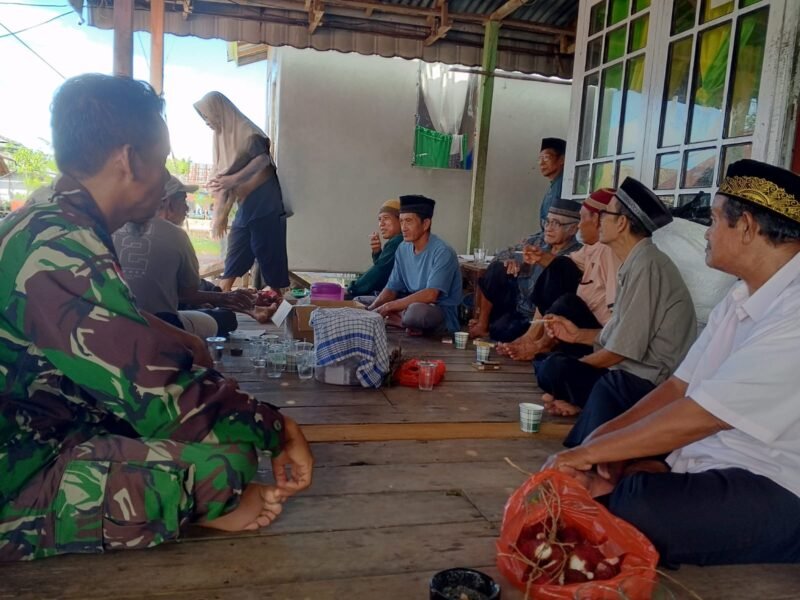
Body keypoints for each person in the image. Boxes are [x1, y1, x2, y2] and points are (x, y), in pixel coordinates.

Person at [0, 74, 313, 561]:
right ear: (129, 160)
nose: (168, 176)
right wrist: (279, 428)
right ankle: (196, 507)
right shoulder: (57, 247)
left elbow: (105, 335)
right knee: (227, 463)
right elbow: (162, 397)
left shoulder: (48, 216)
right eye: (163, 159)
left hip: (46, 421)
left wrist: (160, 332)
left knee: (213, 436)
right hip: (17, 470)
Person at [545, 159, 800, 567]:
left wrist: (595, 454)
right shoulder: (738, 299)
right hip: (712, 454)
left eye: (715, 220)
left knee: (637, 505)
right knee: (617, 467)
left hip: (779, 484)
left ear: (748, 228)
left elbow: (703, 415)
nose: (707, 233)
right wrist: (597, 445)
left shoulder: (794, 311)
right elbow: (679, 387)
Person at [537, 178, 696, 445]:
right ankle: (585, 406)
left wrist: (578, 367)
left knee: (564, 371)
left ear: (621, 223)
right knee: (553, 368)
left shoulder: (647, 266)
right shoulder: (635, 262)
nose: (598, 222)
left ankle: (587, 442)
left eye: (605, 215)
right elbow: (619, 335)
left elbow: (621, 351)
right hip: (627, 372)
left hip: (648, 383)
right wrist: (577, 335)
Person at [113, 176, 257, 338]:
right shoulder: (176, 235)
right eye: (183, 200)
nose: (187, 208)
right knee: (226, 318)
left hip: (112, 321)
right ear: (167, 202)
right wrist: (223, 298)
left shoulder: (113, 227)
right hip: (159, 324)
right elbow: (188, 293)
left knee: (204, 290)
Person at [497, 188, 622, 361]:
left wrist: (609, 345)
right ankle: (532, 337)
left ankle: (541, 344)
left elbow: (617, 313)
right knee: (558, 266)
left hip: (599, 333)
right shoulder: (591, 248)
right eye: (547, 222)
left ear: (598, 220)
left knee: (566, 301)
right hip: (569, 324)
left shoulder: (609, 251)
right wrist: (540, 256)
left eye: (582, 218)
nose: (579, 225)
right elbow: (564, 266)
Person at [194, 91, 289, 292]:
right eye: (202, 117)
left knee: (268, 252)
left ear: (219, 111)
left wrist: (232, 180)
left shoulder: (248, 133)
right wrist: (220, 211)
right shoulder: (222, 139)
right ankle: (223, 295)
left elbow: (263, 160)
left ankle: (278, 304)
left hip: (265, 203)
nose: (206, 121)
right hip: (245, 206)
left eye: (207, 115)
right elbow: (223, 177)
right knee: (236, 250)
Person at [469, 199, 583, 342]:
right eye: (547, 221)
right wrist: (512, 261)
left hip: (543, 316)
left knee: (502, 333)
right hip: (519, 304)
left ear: (573, 229)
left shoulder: (579, 254)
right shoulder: (537, 241)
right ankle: (482, 325)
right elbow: (501, 255)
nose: (548, 228)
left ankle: (535, 340)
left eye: (556, 223)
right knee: (497, 269)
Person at [368, 195, 461, 334]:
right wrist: (370, 310)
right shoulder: (402, 248)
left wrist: (389, 307)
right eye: (401, 221)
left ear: (425, 224)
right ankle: (402, 320)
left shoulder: (443, 252)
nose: (403, 228)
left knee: (416, 313)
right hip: (407, 305)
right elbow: (392, 288)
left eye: (409, 221)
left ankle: (401, 319)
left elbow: (431, 295)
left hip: (437, 311)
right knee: (362, 302)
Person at [346, 198, 403, 299]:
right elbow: (385, 270)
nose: (381, 223)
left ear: (400, 221)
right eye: (379, 219)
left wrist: (351, 289)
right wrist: (377, 253)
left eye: (386, 218)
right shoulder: (397, 241)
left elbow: (380, 271)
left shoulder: (398, 241)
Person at [537, 137, 566, 224]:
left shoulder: (564, 184)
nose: (541, 163)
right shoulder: (554, 184)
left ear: (562, 159)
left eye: (546, 157)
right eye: (539, 159)